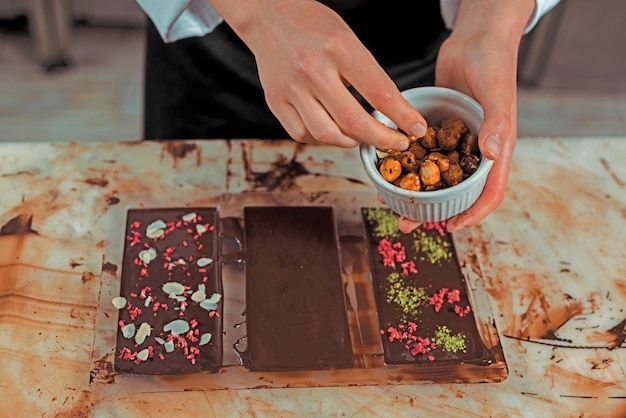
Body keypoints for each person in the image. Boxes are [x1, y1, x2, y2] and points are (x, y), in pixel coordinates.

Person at [136, 0, 560, 232]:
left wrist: (490, 23)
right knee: (194, 212)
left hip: (417, 40)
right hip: (224, 47)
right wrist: (259, 11)